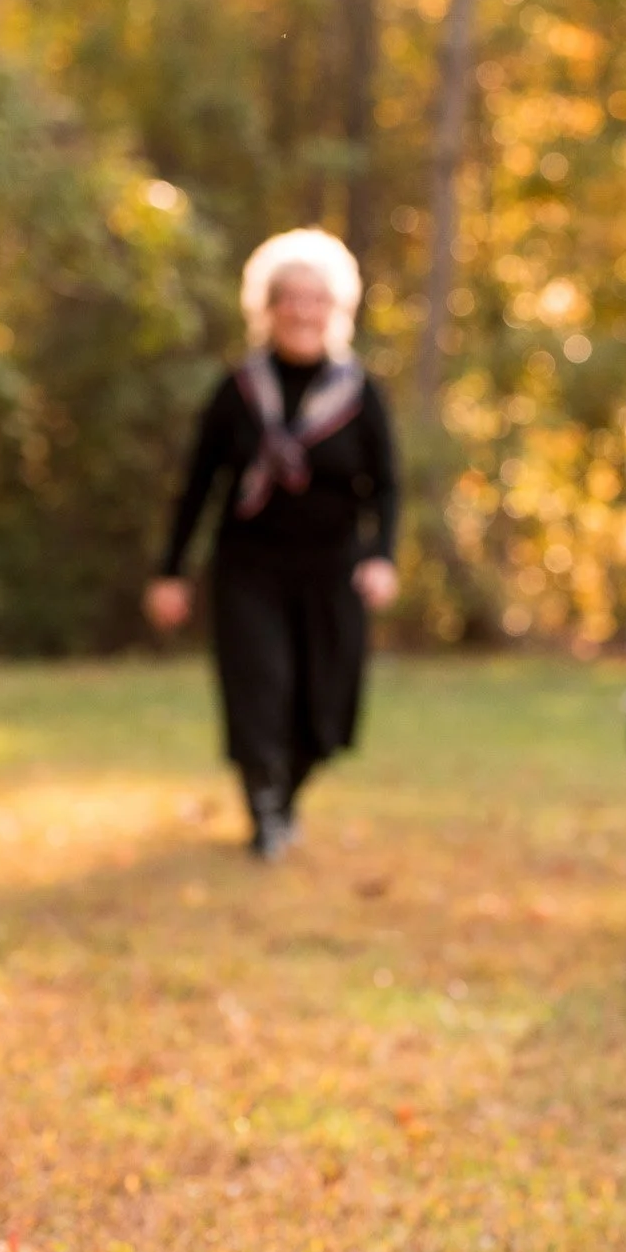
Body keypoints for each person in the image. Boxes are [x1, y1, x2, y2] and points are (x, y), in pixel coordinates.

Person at [146, 229, 399, 861]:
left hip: (332, 567)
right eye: (290, 297)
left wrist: (382, 556)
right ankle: (264, 810)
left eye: (316, 299)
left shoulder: (359, 393)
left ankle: (285, 795)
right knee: (260, 687)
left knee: (327, 699)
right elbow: (198, 487)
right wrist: (171, 572)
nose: (303, 311)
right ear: (268, 305)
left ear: (335, 308)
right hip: (250, 566)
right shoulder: (237, 391)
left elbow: (387, 486)